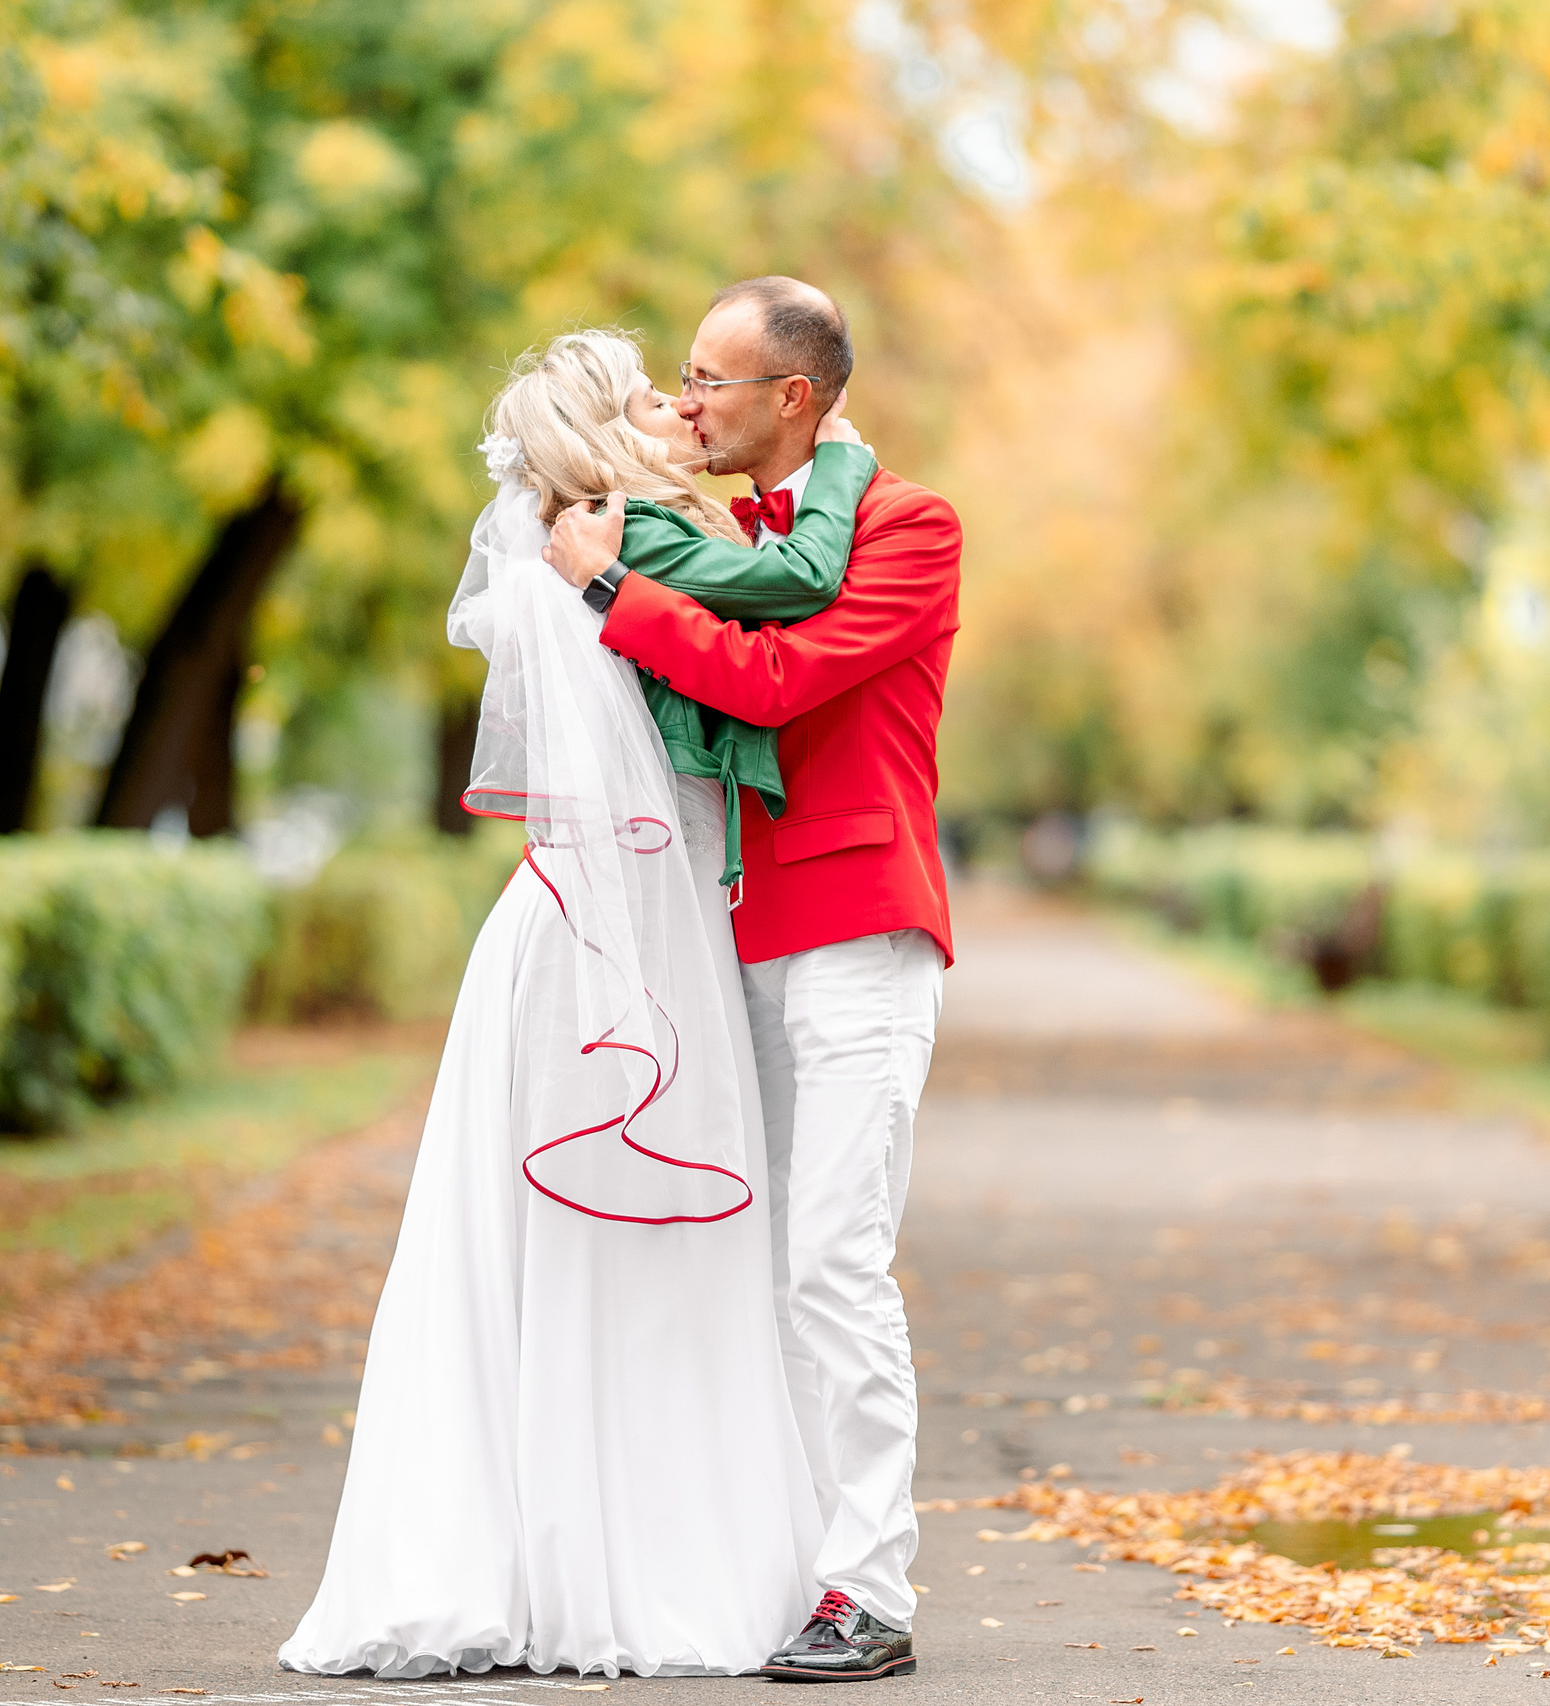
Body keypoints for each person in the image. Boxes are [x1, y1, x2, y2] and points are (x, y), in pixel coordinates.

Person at [277, 329, 882, 1680]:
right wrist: (841, 458)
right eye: (649, 395)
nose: (680, 406)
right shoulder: (637, 543)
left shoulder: (591, 536)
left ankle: (552, 1554)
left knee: (563, 1258)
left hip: (588, 922)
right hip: (620, 934)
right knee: (625, 1256)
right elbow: (794, 587)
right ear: (606, 437)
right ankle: (618, 1563)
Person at [545, 277, 962, 1684]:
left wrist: (608, 587)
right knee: (766, 1272)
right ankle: (784, 1561)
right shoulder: (728, 532)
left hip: (862, 931)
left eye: (713, 376)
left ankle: (872, 1588)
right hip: (742, 941)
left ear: (795, 397)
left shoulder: (909, 528)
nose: (688, 396)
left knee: (835, 1262)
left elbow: (779, 685)